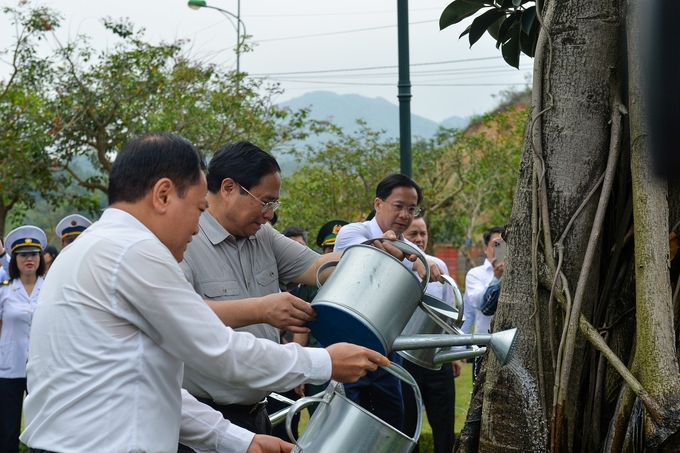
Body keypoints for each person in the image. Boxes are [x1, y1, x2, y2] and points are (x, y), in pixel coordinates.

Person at [20, 132, 390, 453]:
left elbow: (153, 387)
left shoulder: (92, 249)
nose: (198, 229)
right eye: (198, 209)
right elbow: (220, 351)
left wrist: (236, 440)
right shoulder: (134, 252)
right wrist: (323, 362)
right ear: (163, 195)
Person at [177, 143, 415, 450]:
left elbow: (318, 266)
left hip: (257, 412)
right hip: (205, 418)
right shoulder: (185, 238)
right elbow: (183, 314)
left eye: (274, 205)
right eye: (265, 202)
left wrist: (368, 254)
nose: (269, 215)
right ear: (228, 188)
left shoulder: (262, 236)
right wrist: (261, 309)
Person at [333, 173, 441, 431]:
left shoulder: (414, 251)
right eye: (399, 206)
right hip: (346, 340)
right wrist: (415, 259)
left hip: (387, 347)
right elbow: (372, 253)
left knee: (390, 421)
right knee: (344, 421)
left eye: (412, 209)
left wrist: (427, 262)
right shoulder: (353, 232)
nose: (405, 214)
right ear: (378, 204)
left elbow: (426, 266)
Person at [402, 216, 460, 453]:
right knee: (408, 424)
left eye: (423, 233)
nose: (419, 239)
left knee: (444, 422)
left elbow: (450, 313)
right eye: (413, 234)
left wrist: (454, 354)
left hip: (437, 359)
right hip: (404, 359)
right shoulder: (393, 267)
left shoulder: (438, 267)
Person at [0, 225, 47, 453]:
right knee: (7, 430)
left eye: (34, 254)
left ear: (40, 258)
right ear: (14, 259)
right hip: (8, 367)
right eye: (23, 254)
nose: (29, 259)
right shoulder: (4, 291)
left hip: (42, 368)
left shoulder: (49, 289)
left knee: (41, 428)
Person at [461, 225, 505, 381]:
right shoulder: (475, 274)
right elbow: (480, 304)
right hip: (483, 343)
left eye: (504, 243)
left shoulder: (517, 273)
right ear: (485, 249)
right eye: (496, 244)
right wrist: (496, 279)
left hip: (509, 341)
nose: (500, 248)